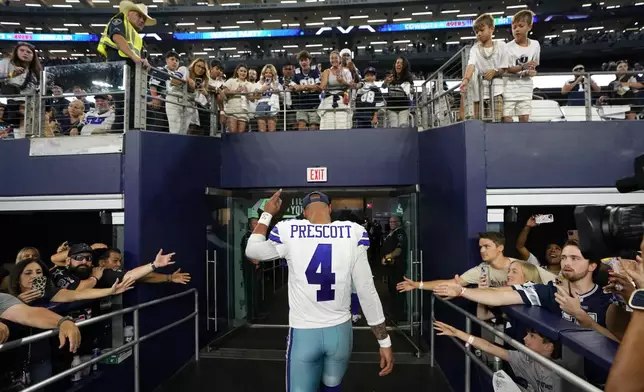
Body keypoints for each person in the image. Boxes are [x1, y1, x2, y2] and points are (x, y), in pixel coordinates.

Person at [246, 190, 394, 391]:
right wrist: (384, 341)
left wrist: (267, 213)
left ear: (305, 213)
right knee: (333, 387)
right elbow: (366, 290)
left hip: (304, 333)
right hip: (340, 333)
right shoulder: (352, 233)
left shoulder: (290, 230)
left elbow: (252, 251)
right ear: (330, 209)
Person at [434, 320, 565, 392]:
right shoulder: (523, 358)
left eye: (532, 336)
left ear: (549, 346)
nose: (525, 338)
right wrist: (457, 333)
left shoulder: (564, 375)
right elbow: (489, 347)